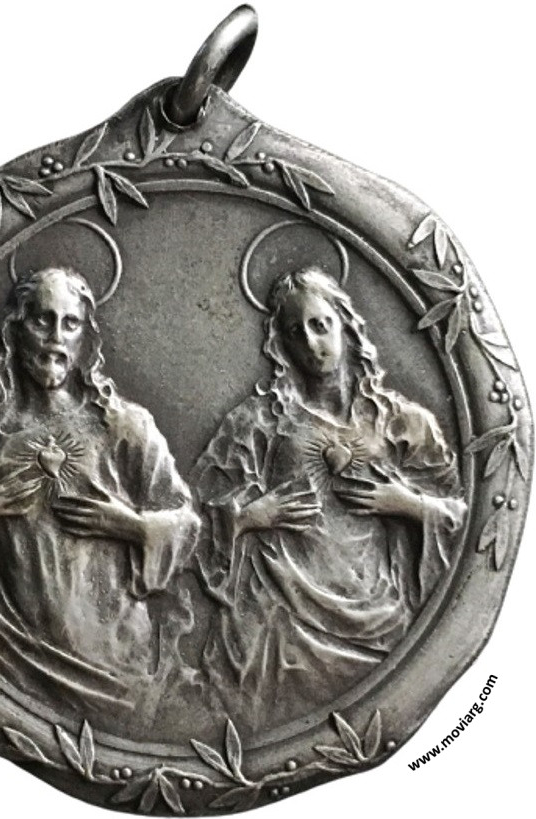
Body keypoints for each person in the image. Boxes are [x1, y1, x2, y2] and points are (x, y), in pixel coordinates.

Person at [0, 266, 199, 723]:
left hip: (116, 656)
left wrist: (133, 525)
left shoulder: (124, 427)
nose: (55, 338)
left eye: (70, 323)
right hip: (6, 649)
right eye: (41, 320)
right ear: (15, 328)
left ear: (86, 339)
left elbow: (186, 522)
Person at [192, 267, 466, 730]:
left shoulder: (402, 422)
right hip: (281, 624)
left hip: (381, 617)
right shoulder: (259, 423)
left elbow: (469, 522)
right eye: (295, 332)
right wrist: (249, 516)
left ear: (345, 325)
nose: (311, 343)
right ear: (280, 343)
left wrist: (411, 505)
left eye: (320, 325)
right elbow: (194, 520)